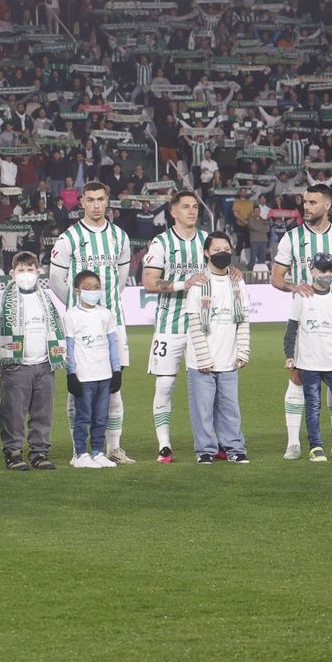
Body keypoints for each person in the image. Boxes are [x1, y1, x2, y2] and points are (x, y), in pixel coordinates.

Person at [49, 181, 133, 463]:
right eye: (90, 200)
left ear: (107, 200)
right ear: (82, 202)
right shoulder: (69, 238)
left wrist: (104, 308)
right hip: (80, 326)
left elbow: (120, 280)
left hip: (113, 322)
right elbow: (55, 280)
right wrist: (79, 307)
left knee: (114, 388)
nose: (96, 205)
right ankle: (79, 450)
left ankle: (113, 449)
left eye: (100, 199)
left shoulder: (120, 237)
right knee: (79, 390)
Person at [271, 184, 332, 459]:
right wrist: (293, 286)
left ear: (327, 205)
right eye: (305, 202)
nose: (306, 207)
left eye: (313, 202)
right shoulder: (291, 237)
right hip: (303, 319)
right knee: (297, 378)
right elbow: (277, 278)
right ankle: (293, 442)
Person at [140, 191, 213, 464]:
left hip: (202, 325)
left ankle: (211, 441)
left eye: (195, 207)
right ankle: (164, 444)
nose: (192, 211)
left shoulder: (207, 240)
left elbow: (221, 270)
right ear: (173, 212)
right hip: (169, 324)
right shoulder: (161, 242)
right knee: (166, 384)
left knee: (206, 384)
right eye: (185, 207)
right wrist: (185, 283)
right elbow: (149, 282)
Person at [0, 252, 64, 471]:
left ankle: (39, 452)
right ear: (12, 273)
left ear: (38, 272)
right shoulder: (1, 299)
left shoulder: (46, 299)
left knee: (43, 412)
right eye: (21, 270)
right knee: (13, 412)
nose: (26, 274)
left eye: (30, 269)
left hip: (45, 363)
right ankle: (13, 452)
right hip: (16, 365)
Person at [184, 233, 250, 465]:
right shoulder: (199, 283)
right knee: (202, 409)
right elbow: (194, 323)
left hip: (228, 359)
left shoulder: (237, 281)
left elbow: (243, 319)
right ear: (206, 253)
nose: (222, 253)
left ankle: (235, 448)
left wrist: (243, 350)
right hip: (201, 361)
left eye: (227, 249)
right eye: (217, 249)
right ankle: (205, 450)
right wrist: (203, 357)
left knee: (230, 408)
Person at [284, 253, 332, 464]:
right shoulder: (302, 296)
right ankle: (316, 447)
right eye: (323, 270)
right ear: (313, 271)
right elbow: (291, 329)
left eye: (331, 270)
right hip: (309, 363)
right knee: (313, 406)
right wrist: (289, 355)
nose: (327, 274)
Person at [65, 270, 122, 470]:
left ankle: (98, 451)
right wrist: (71, 374)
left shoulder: (106, 314)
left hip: (104, 375)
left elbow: (112, 344)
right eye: (87, 288)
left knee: (101, 417)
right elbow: (69, 347)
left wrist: (116, 371)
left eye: (96, 287)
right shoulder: (71, 316)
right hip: (84, 376)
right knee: (83, 417)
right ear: (77, 291)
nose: (92, 291)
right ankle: (81, 453)